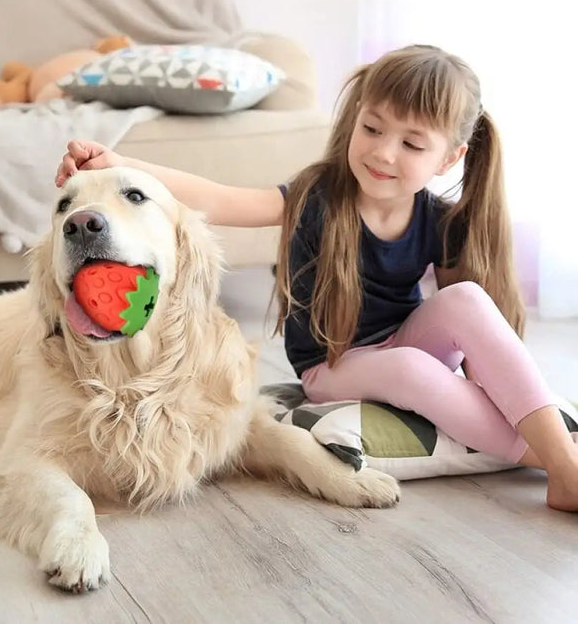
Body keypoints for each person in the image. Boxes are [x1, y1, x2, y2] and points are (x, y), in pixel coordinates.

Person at [56, 44, 578, 512]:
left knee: (464, 299)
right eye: (372, 128)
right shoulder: (318, 197)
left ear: (450, 158)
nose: (382, 152)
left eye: (412, 145)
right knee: (409, 369)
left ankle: (559, 452)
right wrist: (121, 164)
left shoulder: (439, 219)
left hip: (404, 346)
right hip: (333, 366)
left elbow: (470, 337)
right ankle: (558, 463)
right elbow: (218, 196)